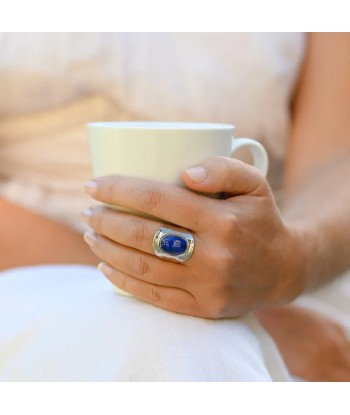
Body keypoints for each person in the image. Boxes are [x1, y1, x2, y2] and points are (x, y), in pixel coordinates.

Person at [0, 32, 349, 381]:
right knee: (169, 341)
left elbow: (336, 158)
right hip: (32, 265)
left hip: (289, 273)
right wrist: (172, 280)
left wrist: (287, 263)